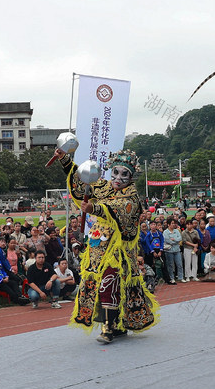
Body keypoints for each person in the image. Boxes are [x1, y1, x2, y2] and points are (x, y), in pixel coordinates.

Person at [54, 147, 158, 343]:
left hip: (118, 252)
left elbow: (122, 209)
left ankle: (108, 329)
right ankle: (117, 325)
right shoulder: (103, 186)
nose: (118, 178)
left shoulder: (131, 196)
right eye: (115, 172)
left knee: (108, 285)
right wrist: (65, 160)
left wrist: (94, 208)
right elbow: (82, 181)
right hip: (96, 249)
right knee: (102, 286)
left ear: (131, 176)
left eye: (124, 174)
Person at [162, 218, 183, 285]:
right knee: (170, 265)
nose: (173, 225)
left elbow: (180, 238)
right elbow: (167, 240)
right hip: (169, 251)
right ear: (168, 224)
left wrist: (174, 240)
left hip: (177, 250)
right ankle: (172, 278)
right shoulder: (165, 232)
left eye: (174, 223)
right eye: (172, 223)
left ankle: (181, 277)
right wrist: (175, 241)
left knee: (179, 264)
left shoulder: (177, 231)